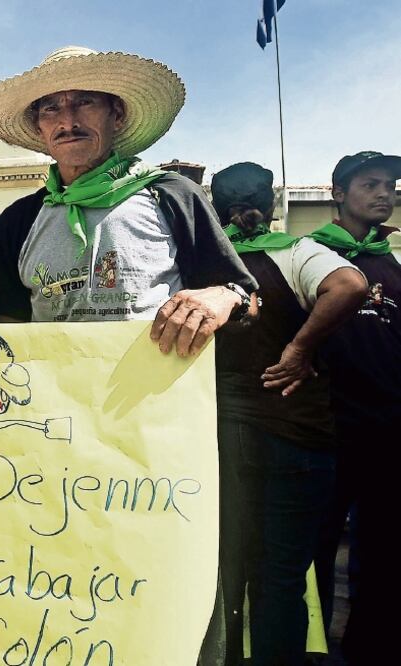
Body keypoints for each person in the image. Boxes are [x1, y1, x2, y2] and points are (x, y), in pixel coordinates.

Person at [0, 45, 257, 359]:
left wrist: (223, 298)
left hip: (154, 420)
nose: (68, 121)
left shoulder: (170, 195)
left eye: (85, 102)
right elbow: (5, 333)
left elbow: (247, 301)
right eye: (51, 108)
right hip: (57, 419)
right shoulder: (19, 220)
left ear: (116, 114)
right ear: (39, 127)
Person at [210, 162, 367, 665]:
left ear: (214, 207)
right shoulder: (298, 252)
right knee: (281, 577)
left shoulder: (203, 267)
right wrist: (300, 349)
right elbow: (348, 286)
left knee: (225, 574)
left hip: (222, 442)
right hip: (298, 438)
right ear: (272, 202)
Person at [310, 151, 400, 663]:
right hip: (327, 428)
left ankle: (374, 645)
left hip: (390, 431)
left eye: (390, 184)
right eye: (370, 183)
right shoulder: (309, 255)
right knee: (316, 549)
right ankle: (314, 648)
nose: (384, 193)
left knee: (384, 550)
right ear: (338, 194)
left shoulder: (394, 263)